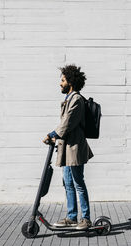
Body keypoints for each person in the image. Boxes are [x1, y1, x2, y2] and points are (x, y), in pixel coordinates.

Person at [42, 64, 94, 230]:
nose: (60, 83)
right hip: (67, 148)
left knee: (78, 183)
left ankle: (85, 219)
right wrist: (54, 135)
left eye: (63, 80)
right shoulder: (69, 99)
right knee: (68, 183)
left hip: (75, 149)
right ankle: (72, 217)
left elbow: (67, 123)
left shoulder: (76, 99)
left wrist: (52, 134)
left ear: (70, 82)